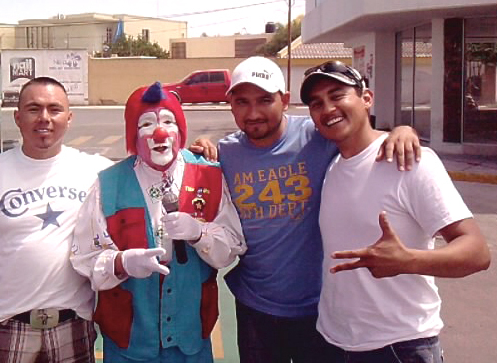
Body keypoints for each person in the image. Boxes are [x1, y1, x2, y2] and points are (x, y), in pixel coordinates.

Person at [192, 56, 421, 363]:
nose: (254, 112)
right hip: (254, 307)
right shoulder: (224, 154)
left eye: (265, 100)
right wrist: (201, 147)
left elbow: (360, 134)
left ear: (284, 101)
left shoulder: (317, 137)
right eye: (242, 102)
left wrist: (403, 130)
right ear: (230, 103)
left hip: (320, 309)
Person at [300, 60, 491, 362]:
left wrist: (407, 260)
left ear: (366, 99)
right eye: (316, 103)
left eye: (337, 96)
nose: (327, 109)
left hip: (399, 346)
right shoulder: (330, 164)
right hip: (334, 341)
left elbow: (477, 253)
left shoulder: (412, 161)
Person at [0, 77, 113, 363]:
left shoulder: (96, 171)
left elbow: (154, 169)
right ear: (18, 117)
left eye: (55, 109)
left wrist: (198, 154)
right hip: (5, 326)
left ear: (69, 117)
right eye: (34, 109)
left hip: (72, 327)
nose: (45, 118)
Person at [70, 82, 246, 363]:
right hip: (129, 344)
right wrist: (121, 263)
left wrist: (200, 233)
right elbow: (84, 257)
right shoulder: (108, 184)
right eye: (147, 123)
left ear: (180, 130)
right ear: (133, 133)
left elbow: (232, 245)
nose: (159, 131)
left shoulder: (209, 176)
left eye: (168, 121)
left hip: (192, 342)